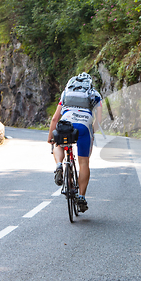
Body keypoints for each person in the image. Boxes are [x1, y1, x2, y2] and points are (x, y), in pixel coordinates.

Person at [47, 72, 102, 212]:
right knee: (83, 163)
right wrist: (91, 133)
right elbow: (99, 120)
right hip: (84, 126)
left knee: (58, 143)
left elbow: (54, 119)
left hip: (66, 124)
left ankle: (59, 164)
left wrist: (50, 138)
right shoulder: (94, 94)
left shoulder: (66, 93)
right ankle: (81, 196)